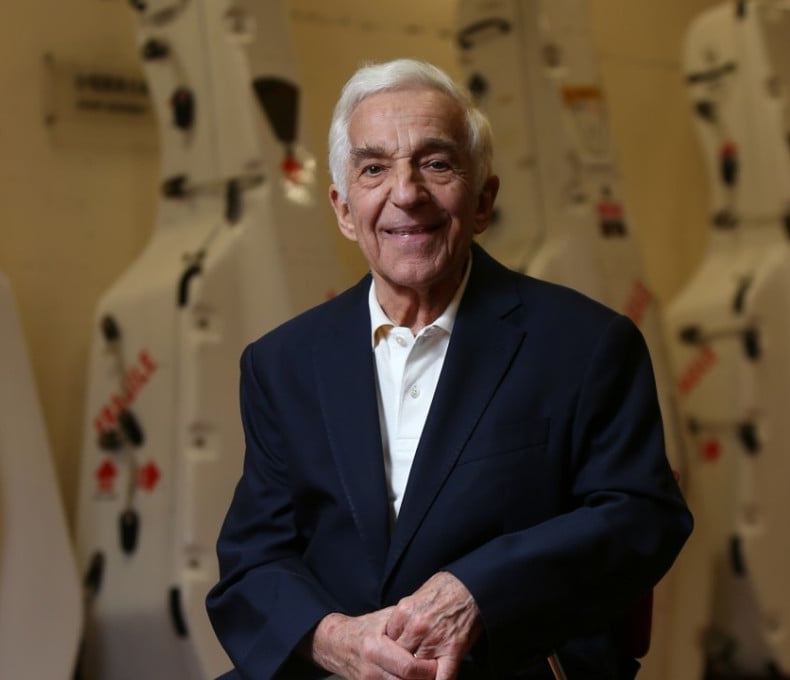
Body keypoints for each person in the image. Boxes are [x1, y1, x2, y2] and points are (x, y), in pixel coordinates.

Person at [206, 58, 691, 680]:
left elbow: (643, 515)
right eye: (374, 168)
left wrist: (478, 593)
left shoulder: (587, 344)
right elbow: (253, 562)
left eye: (436, 164)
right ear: (344, 209)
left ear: (484, 198)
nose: (405, 193)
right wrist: (338, 640)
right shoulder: (281, 364)